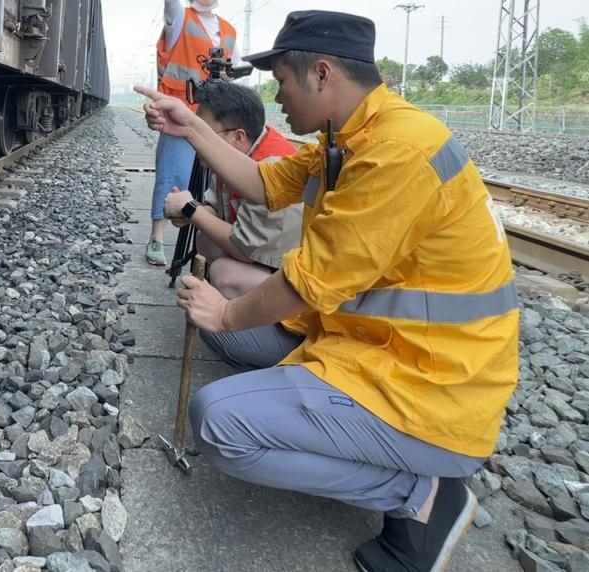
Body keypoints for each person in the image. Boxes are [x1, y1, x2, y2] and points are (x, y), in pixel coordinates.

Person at [136, 10, 519, 572]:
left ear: (320, 74)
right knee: (239, 342)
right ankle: (378, 454)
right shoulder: (350, 137)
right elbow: (265, 185)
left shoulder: (397, 153)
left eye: (283, 80)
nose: (276, 94)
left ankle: (425, 496)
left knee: (217, 421)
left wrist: (225, 313)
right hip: (373, 344)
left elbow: (305, 284)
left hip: (431, 383)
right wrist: (189, 125)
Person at [164, 80, 300, 300]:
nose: (196, 141)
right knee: (205, 237)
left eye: (204, 132)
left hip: (297, 280)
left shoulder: (272, 166)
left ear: (238, 136)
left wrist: (190, 209)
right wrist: (187, 212)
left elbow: (244, 251)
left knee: (225, 275)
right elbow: (215, 209)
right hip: (260, 257)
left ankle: (245, 326)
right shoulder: (232, 155)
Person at [147, 0, 239, 266]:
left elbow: (235, 72)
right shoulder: (179, 18)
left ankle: (207, 240)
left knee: (214, 183)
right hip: (179, 114)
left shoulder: (229, 30)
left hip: (215, 119)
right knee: (172, 174)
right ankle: (157, 238)